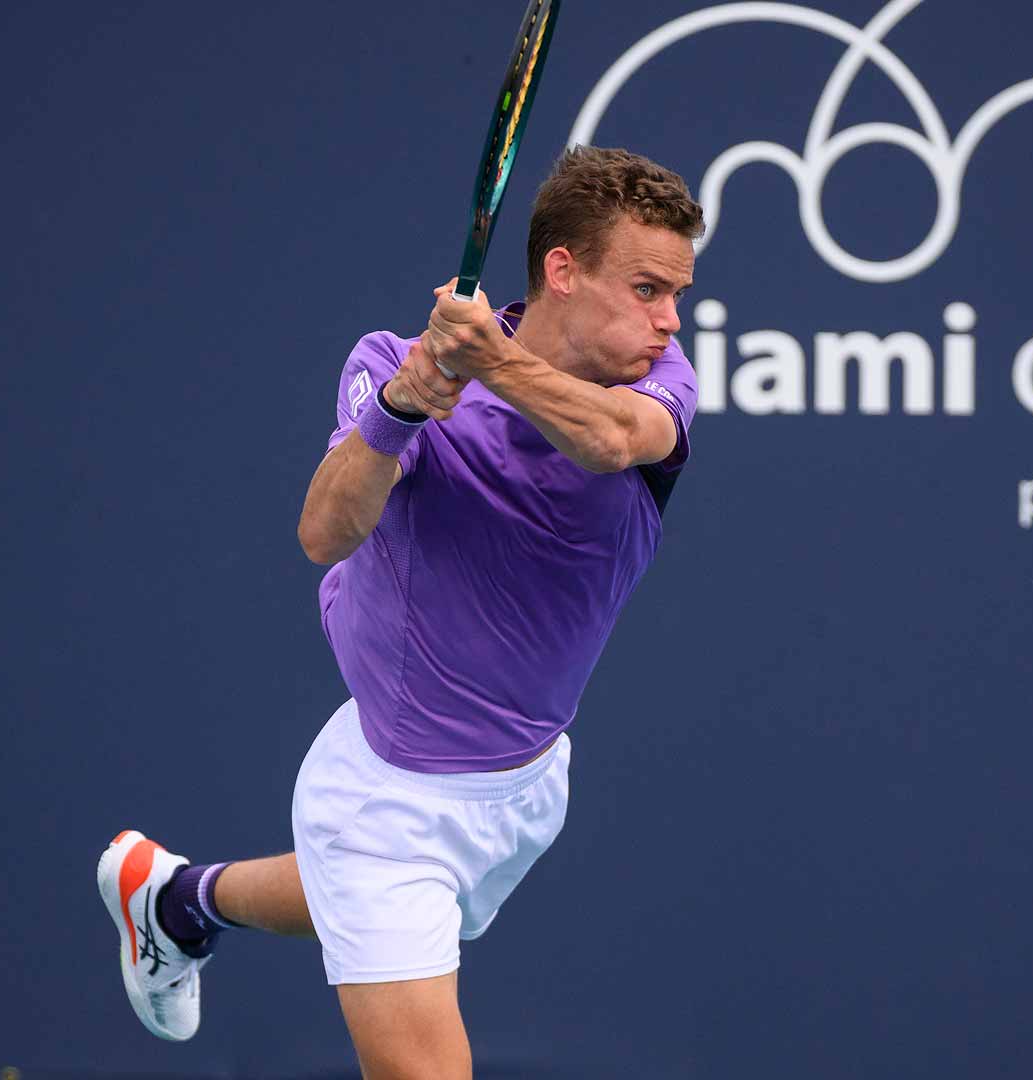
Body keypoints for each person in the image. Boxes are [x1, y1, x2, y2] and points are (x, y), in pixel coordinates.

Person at [95, 145, 703, 1078]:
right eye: (649, 288)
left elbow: (615, 441)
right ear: (563, 271)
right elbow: (322, 535)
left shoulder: (655, 385)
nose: (670, 321)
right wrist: (404, 405)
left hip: (529, 786)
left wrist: (489, 363)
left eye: (677, 295)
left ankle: (177, 899)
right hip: (387, 799)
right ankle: (183, 901)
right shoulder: (393, 363)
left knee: (357, 891)